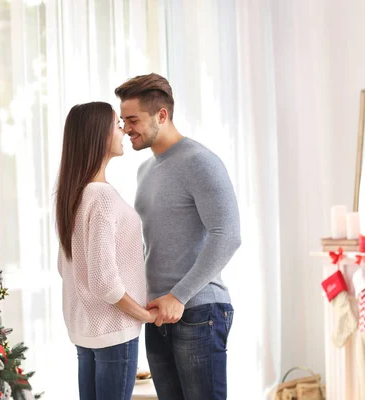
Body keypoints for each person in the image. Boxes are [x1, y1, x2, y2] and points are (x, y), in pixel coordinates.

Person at [115, 73, 241, 400]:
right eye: (122, 120)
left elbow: (227, 234)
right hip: (158, 314)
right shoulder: (146, 170)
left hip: (197, 311)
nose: (126, 128)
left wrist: (180, 295)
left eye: (132, 119)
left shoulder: (199, 162)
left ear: (161, 115)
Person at [55, 101, 157, 400]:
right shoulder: (101, 197)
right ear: (99, 135)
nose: (124, 130)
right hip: (114, 329)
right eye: (117, 124)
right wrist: (143, 315)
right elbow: (103, 280)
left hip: (85, 329)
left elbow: (64, 268)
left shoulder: (72, 194)